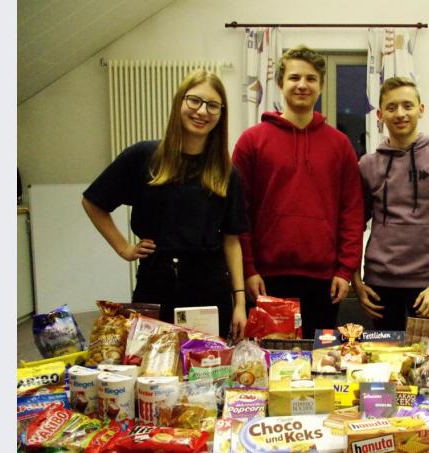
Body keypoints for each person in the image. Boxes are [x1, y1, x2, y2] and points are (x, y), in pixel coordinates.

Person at [82, 69, 249, 339]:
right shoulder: (144, 156)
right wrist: (123, 248)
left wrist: (240, 302)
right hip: (155, 282)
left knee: (204, 371)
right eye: (194, 100)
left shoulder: (226, 173)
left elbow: (232, 240)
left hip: (209, 288)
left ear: (221, 114)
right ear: (179, 102)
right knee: (149, 368)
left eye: (212, 105)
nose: (202, 111)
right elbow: (93, 202)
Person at [232, 45, 364, 339]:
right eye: (294, 78)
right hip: (266, 279)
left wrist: (345, 270)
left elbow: (352, 211)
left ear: (320, 85)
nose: (302, 85)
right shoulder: (251, 141)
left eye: (310, 78)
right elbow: (238, 212)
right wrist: (248, 269)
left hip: (325, 282)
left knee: (324, 368)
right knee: (272, 369)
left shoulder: (340, 145)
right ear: (280, 83)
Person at [352, 77, 429, 344]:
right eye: (392, 107)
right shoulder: (367, 165)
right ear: (381, 115)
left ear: (421, 109)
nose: (400, 113)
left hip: (427, 284)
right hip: (379, 284)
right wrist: (356, 282)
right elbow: (353, 224)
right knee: (386, 359)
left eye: (408, 105)